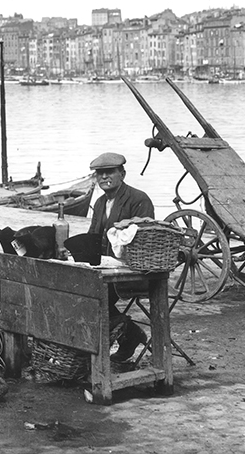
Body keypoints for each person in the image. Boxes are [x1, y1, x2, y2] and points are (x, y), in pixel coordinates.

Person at [86, 152, 155, 362]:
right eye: (100, 174)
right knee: (76, 288)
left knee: (91, 296)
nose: (104, 177)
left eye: (110, 172)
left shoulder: (138, 199)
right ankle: (130, 333)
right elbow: (93, 237)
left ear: (122, 174)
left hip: (134, 271)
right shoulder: (100, 203)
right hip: (107, 270)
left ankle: (127, 335)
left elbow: (146, 240)